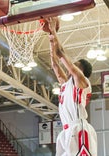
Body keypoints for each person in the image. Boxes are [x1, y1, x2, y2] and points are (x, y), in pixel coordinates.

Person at [47, 17, 97, 156]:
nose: (72, 66)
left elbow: (60, 53)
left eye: (76, 65)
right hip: (65, 130)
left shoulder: (82, 81)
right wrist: (51, 39)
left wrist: (53, 32)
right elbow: (55, 64)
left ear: (81, 71)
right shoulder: (66, 84)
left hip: (78, 128)